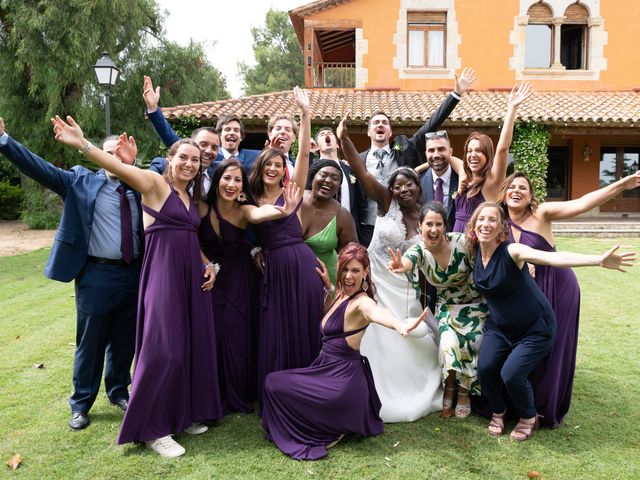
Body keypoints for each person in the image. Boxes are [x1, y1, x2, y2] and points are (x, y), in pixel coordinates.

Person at [52, 116, 223, 457]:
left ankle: (182, 413)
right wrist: (83, 143)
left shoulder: (189, 197)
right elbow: (113, 165)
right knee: (164, 351)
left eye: (195, 159)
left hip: (192, 278)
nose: (189, 163)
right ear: (170, 159)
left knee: (190, 346)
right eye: (183, 157)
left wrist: (209, 264)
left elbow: (188, 236)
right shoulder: (153, 184)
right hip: (163, 277)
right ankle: (153, 429)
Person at [0, 117, 157, 430]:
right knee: (91, 341)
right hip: (96, 274)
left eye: (122, 153)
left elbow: (171, 169)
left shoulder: (139, 186)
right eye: (110, 152)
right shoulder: (79, 180)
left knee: (125, 339)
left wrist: (134, 164)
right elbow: (37, 167)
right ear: (98, 154)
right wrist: (5, 140)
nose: (116, 157)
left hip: (134, 273)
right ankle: (81, 403)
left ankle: (118, 391)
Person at [467, 202, 634, 441]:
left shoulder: (513, 251)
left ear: (501, 227)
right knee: (484, 368)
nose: (486, 224)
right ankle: (498, 409)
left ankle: (528, 416)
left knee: (511, 374)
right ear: (473, 225)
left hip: (535, 327)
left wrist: (598, 260)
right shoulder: (473, 252)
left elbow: (551, 258)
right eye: (481, 219)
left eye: (492, 219)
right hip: (500, 327)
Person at [499, 170, 640, 428]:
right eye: (512, 187)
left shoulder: (542, 213)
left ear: (531, 197)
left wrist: (621, 185)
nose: (516, 191)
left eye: (523, 188)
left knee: (553, 348)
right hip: (526, 291)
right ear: (504, 193)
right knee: (525, 346)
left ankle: (543, 409)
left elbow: (583, 203)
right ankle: (519, 404)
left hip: (558, 285)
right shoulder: (499, 223)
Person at [261, 243, 427, 460]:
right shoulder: (341, 294)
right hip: (325, 370)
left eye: (355, 270)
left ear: (366, 273)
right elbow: (329, 316)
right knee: (273, 382)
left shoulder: (362, 302)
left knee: (273, 383)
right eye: (345, 269)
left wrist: (399, 325)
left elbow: (377, 312)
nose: (348, 276)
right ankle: (329, 421)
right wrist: (329, 287)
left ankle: (335, 424)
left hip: (343, 383)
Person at [338, 114, 442, 422]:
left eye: (408, 183)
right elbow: (360, 169)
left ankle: (412, 384)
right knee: (375, 338)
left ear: (417, 185)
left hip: (407, 290)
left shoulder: (427, 217)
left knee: (412, 337)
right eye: (396, 185)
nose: (402, 189)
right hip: (377, 283)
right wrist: (344, 139)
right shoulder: (385, 202)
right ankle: (371, 389)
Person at [199, 158, 300, 414]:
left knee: (236, 336)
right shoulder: (201, 207)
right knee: (212, 334)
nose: (231, 184)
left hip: (238, 280)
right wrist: (205, 263)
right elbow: (190, 239)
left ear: (243, 187)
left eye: (237, 180)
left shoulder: (244, 211)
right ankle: (212, 392)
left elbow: (258, 213)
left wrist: (282, 210)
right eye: (227, 178)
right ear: (217, 180)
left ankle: (237, 393)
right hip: (208, 280)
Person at [249, 87, 325, 402]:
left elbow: (305, 154)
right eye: (269, 164)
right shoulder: (250, 198)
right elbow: (249, 221)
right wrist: (256, 246)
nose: (273, 169)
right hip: (275, 269)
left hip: (302, 265)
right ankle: (279, 392)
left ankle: (309, 391)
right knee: (277, 331)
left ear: (284, 171)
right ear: (261, 166)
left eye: (279, 166)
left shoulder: (291, 191)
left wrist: (306, 114)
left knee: (306, 326)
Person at [388, 202, 488, 419]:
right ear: (420, 226)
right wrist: (400, 266)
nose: (433, 230)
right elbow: (407, 261)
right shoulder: (419, 251)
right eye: (429, 224)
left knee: (473, 343)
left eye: (438, 224)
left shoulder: (462, 242)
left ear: (445, 226)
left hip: (475, 306)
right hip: (447, 309)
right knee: (448, 346)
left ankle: (464, 392)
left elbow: (490, 255)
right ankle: (450, 387)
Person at [357, 67, 477, 246]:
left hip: (400, 227)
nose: (380, 125)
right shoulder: (358, 160)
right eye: (376, 122)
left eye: (385, 122)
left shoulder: (405, 149)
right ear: (368, 131)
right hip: (366, 228)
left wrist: (456, 94)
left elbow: (431, 125)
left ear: (390, 131)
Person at [449, 82, 533, 232]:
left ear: (488, 156)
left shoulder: (492, 182)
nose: (473, 155)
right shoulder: (466, 178)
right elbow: (451, 159)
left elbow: (502, 149)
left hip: (477, 244)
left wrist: (512, 108)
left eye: (479, 151)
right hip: (456, 245)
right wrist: (420, 168)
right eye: (469, 151)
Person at [143, 76, 260, 174]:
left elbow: (272, 160)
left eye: (236, 130)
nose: (232, 132)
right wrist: (153, 109)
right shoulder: (206, 155)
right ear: (219, 135)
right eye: (227, 129)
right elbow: (173, 140)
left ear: (241, 136)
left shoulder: (253, 157)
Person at [143, 76, 222, 195]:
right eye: (203, 144)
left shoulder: (220, 172)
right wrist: (153, 108)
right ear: (192, 143)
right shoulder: (166, 167)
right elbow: (168, 134)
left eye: (215, 147)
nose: (208, 151)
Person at [302, 159, 357, 285]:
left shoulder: (342, 215)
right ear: (313, 177)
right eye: (324, 175)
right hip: (288, 273)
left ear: (339, 186)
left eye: (335, 178)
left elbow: (353, 254)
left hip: (324, 282)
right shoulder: (295, 199)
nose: (328, 180)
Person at [417, 131, 459, 230]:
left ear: (450, 152)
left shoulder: (462, 178)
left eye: (441, 149)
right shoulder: (418, 181)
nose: (436, 155)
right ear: (426, 154)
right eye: (431, 150)